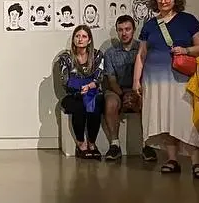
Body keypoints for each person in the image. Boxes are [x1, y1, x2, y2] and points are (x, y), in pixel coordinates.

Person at [133, 0, 199, 178]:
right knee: (163, 118)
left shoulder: (188, 20)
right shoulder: (149, 24)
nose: (163, 1)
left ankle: (196, 162)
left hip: (181, 78)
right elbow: (142, 53)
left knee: (185, 117)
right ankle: (172, 159)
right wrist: (136, 80)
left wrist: (185, 50)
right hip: (154, 78)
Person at [55, 25, 106, 159]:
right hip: (73, 95)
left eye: (84, 36)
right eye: (77, 36)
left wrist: (89, 86)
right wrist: (85, 85)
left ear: (89, 40)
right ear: (73, 39)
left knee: (95, 103)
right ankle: (81, 143)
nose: (80, 39)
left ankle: (92, 143)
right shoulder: (65, 57)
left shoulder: (97, 56)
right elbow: (66, 81)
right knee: (79, 106)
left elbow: (99, 77)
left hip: (92, 92)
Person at [101, 14, 147, 163]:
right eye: (120, 30)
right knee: (110, 103)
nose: (124, 33)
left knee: (146, 101)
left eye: (127, 29)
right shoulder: (110, 53)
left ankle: (147, 145)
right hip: (117, 90)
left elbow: (146, 75)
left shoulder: (142, 49)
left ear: (133, 30)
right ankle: (114, 145)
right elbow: (111, 79)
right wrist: (122, 95)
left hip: (138, 88)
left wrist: (134, 94)